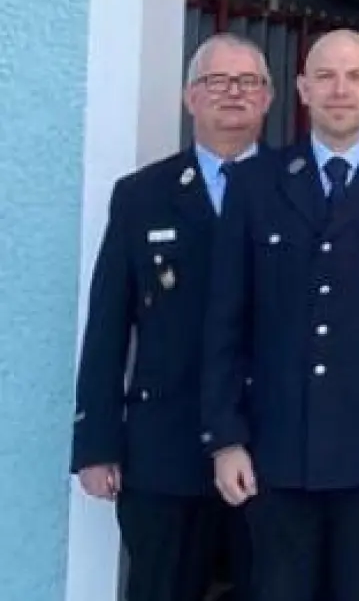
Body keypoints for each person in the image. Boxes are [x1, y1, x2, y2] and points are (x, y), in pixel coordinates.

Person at [202, 29, 359, 601]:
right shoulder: (256, 183)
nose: (339, 90)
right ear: (301, 88)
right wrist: (226, 439)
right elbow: (225, 321)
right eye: (325, 76)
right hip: (275, 450)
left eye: (355, 76)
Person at [72, 33, 272, 601]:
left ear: (270, 98)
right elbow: (110, 324)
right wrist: (96, 443)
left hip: (269, 446)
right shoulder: (142, 195)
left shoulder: (295, 186)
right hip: (165, 449)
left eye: (248, 82)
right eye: (216, 81)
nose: (232, 93)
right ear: (189, 98)